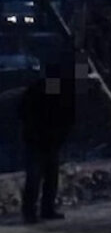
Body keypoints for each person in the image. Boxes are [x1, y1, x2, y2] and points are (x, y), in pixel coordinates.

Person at [18, 61, 75, 223]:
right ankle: (40, 210)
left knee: (42, 178)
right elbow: (66, 117)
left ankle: (37, 211)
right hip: (43, 142)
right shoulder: (53, 92)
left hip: (41, 141)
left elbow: (22, 112)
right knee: (41, 178)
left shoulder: (38, 90)